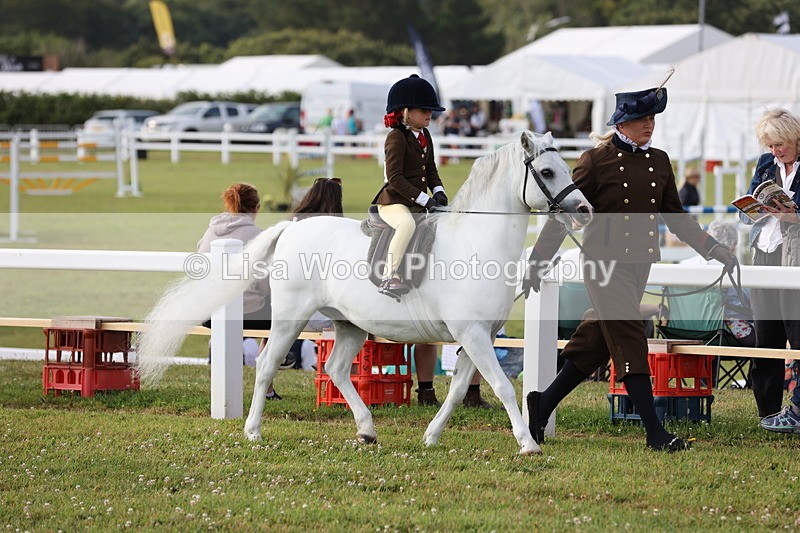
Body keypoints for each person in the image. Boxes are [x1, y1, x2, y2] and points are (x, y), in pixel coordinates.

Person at [524, 85, 738, 452]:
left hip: (639, 266)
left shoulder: (659, 161)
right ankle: (656, 433)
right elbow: (563, 215)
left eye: (652, 118)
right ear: (622, 122)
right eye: (641, 118)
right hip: (604, 267)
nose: (649, 125)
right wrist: (536, 264)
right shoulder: (595, 159)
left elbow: (677, 218)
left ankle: (542, 403)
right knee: (630, 339)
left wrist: (713, 247)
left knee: (596, 343)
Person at [737, 108, 800, 432]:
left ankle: (796, 411)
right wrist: (753, 212)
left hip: (795, 256)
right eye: (770, 145)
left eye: (779, 144)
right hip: (763, 252)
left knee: (796, 332)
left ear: (794, 137)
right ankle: (767, 412)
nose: (775, 151)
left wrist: (795, 217)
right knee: (766, 336)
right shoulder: (765, 165)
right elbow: (746, 211)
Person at [198, 183, 283, 400]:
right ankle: (267, 389)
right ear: (256, 208)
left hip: (210, 311)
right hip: (249, 312)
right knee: (283, 318)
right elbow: (266, 284)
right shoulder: (259, 236)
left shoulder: (209, 231)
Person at [372, 74, 447, 297]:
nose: (429, 114)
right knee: (406, 225)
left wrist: (439, 192)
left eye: (429, 110)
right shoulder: (396, 138)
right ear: (406, 112)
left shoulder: (425, 135)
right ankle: (389, 276)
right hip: (393, 201)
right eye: (423, 110)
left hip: (416, 201)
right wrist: (425, 199)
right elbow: (394, 178)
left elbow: (430, 169)